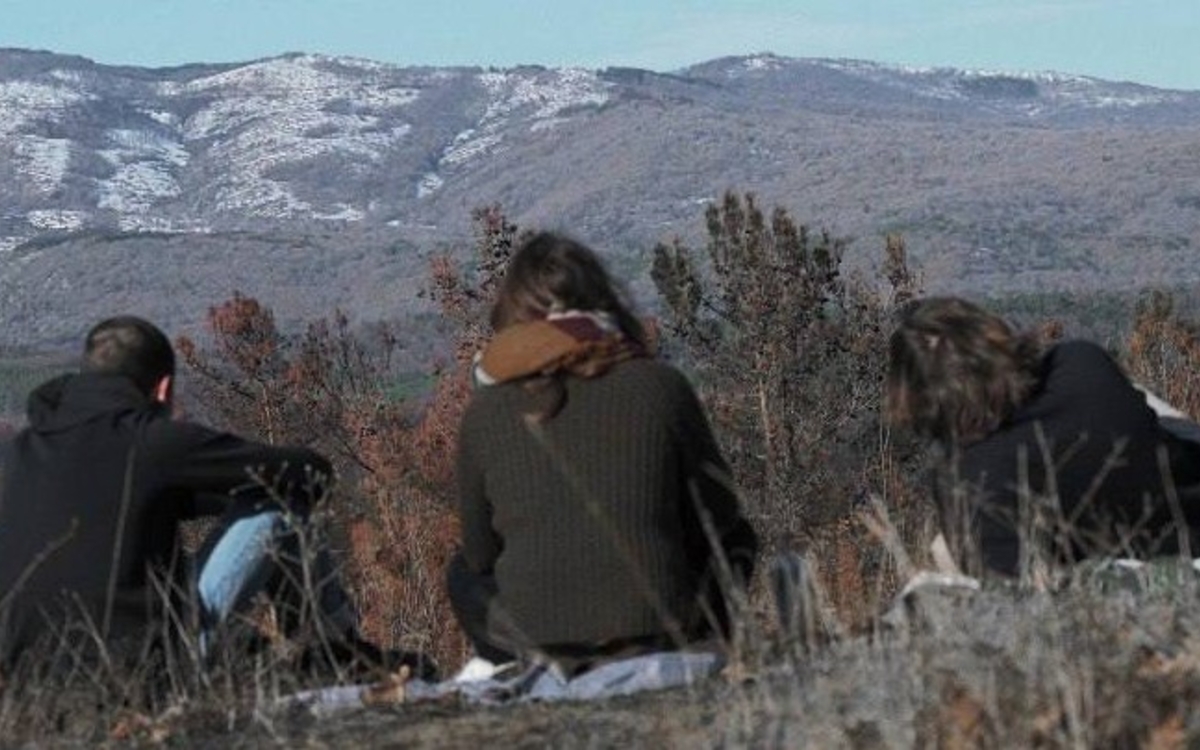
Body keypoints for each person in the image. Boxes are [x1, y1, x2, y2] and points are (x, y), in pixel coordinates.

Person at [0, 316, 423, 677]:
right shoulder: (153, 443)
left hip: (31, 673)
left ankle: (323, 652)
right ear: (163, 389)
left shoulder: (15, 456)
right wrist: (215, 482)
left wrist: (189, 495)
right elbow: (309, 471)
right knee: (281, 503)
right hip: (145, 672)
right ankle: (335, 651)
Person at [447, 232, 758, 677]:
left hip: (536, 640)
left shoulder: (485, 412)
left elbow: (479, 555)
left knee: (461, 571)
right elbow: (720, 515)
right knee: (737, 540)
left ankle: (513, 668)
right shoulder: (660, 386)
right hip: (661, 632)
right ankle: (703, 645)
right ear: (605, 301)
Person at [886, 296, 1200, 577]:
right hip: (1185, 505)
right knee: (1138, 399)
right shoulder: (1082, 361)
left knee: (944, 548)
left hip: (1139, 576)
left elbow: (1010, 590)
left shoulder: (968, 477)